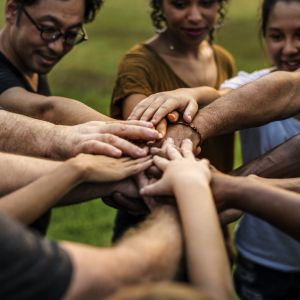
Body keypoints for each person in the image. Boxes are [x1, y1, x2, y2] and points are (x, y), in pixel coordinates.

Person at [111, 0, 235, 172]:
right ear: (160, 6)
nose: (195, 17)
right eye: (180, 5)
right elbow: (143, 138)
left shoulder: (223, 59)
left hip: (223, 189)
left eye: (206, 4)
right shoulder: (139, 65)